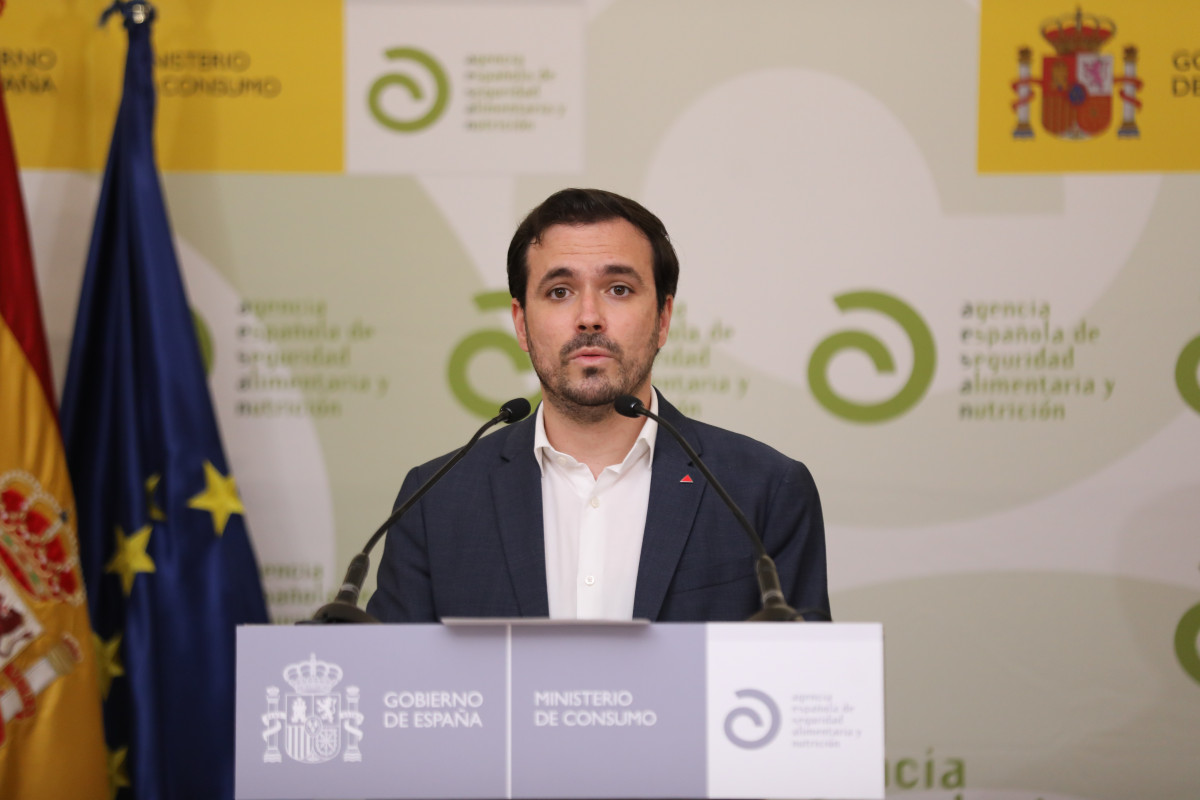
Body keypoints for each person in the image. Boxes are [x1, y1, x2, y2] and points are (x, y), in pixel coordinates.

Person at [366, 188, 829, 622]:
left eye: (618, 289)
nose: (589, 318)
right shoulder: (435, 500)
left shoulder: (764, 492)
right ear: (521, 324)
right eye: (559, 292)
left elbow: (802, 671)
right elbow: (393, 672)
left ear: (663, 319)